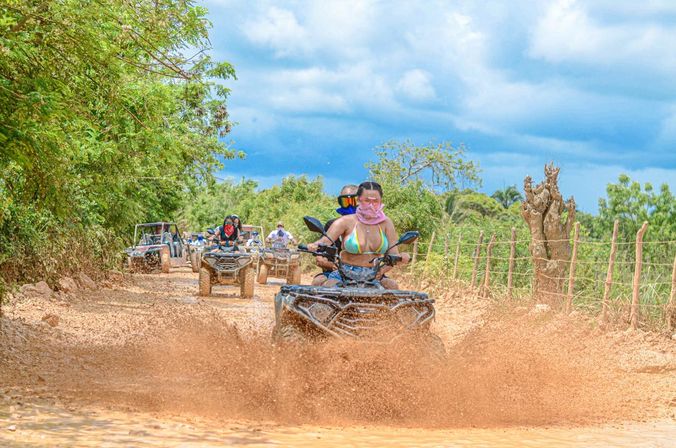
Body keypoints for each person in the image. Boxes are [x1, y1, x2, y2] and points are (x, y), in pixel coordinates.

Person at [307, 181, 410, 289]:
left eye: (375, 201)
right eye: (367, 200)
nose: (371, 204)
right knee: (327, 287)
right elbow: (324, 241)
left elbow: (394, 253)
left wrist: (399, 259)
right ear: (359, 200)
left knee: (392, 287)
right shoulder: (343, 221)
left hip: (373, 275)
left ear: (381, 201)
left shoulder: (387, 223)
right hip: (343, 274)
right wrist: (314, 245)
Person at [312, 184, 358, 286]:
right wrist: (332, 265)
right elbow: (319, 258)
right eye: (345, 202)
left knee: (390, 285)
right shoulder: (332, 225)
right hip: (335, 272)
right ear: (340, 203)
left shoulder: (371, 224)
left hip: (366, 273)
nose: (350, 205)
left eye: (353, 201)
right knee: (318, 281)